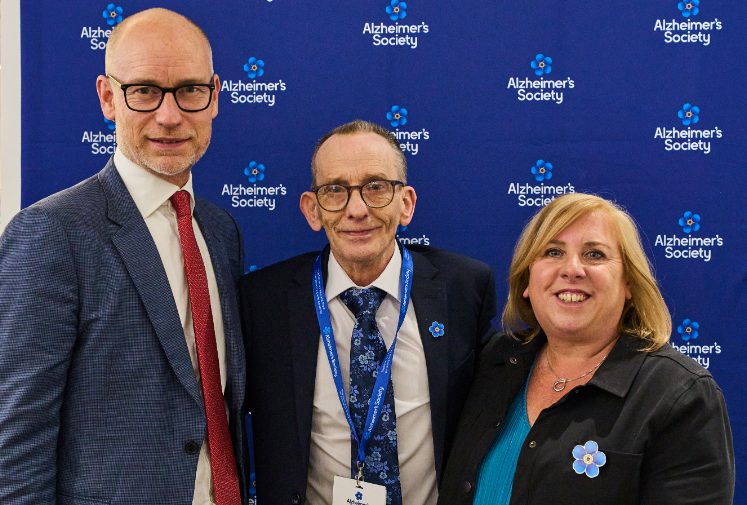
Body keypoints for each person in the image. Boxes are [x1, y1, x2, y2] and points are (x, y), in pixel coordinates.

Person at [0, 9, 248, 505]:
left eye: (190, 91)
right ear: (108, 97)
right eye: (145, 91)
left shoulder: (220, 231)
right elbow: (17, 436)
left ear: (215, 96)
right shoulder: (52, 232)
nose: (170, 115)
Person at [239, 120, 497, 505]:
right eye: (335, 190)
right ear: (313, 210)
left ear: (406, 203)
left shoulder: (463, 287)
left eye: (376, 186)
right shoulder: (263, 301)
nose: (356, 209)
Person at [438, 193, 735, 505]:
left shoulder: (680, 395)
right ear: (527, 280)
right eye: (553, 252)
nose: (572, 269)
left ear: (628, 283)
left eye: (594, 255)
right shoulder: (492, 362)